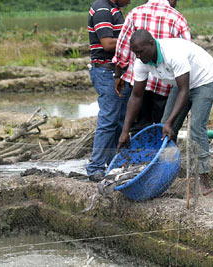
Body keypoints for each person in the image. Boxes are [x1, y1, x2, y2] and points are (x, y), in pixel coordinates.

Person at [117, 30, 213, 193]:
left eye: (140, 51)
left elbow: (184, 91)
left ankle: (203, 180)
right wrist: (125, 131)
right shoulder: (141, 61)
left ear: (152, 44)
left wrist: (171, 122)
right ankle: (167, 173)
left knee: (196, 128)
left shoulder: (172, 53)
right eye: (135, 53)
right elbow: (136, 97)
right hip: (180, 85)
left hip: (204, 80)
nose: (138, 56)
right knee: (163, 129)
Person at [112, 0, 191, 134]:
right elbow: (186, 52)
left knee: (139, 130)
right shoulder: (177, 18)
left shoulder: (135, 13)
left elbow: (122, 47)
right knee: (165, 128)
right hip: (165, 85)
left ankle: (142, 154)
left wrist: (118, 75)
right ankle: (160, 153)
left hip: (139, 83)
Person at [86, 0, 132, 181]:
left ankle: (114, 164)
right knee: (109, 119)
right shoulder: (102, 9)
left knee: (120, 119)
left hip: (117, 71)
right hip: (106, 71)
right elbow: (106, 43)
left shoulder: (114, 9)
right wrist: (132, 39)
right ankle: (95, 166)